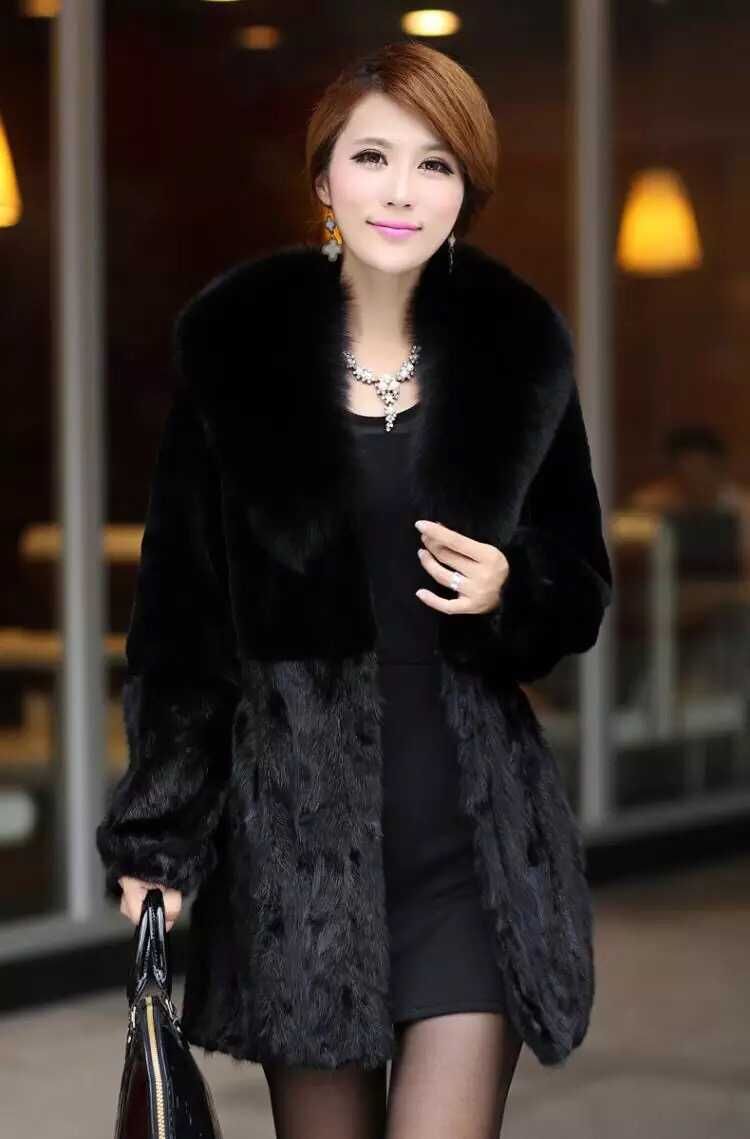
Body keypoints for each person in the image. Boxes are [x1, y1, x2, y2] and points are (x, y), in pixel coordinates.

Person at [96, 42, 612, 1139]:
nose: (401, 189)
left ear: (466, 190)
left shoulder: (518, 357)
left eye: (436, 163)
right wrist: (156, 841)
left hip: (472, 849)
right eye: (373, 156)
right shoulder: (237, 360)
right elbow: (181, 631)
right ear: (324, 177)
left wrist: (516, 588)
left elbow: (580, 586)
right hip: (297, 859)